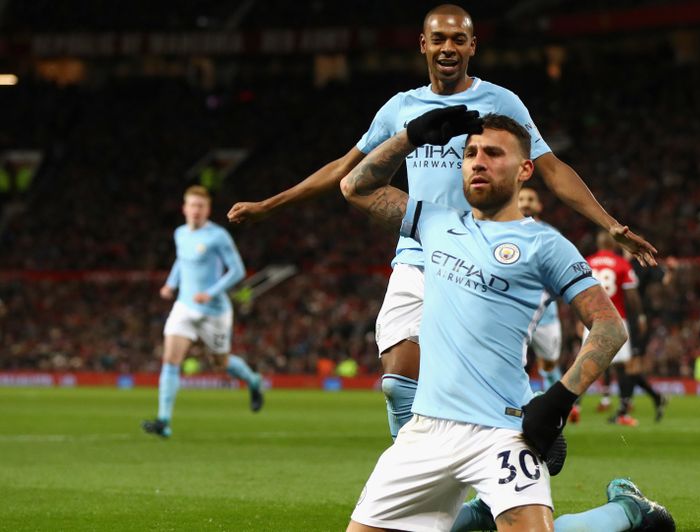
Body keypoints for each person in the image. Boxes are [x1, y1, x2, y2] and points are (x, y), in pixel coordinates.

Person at [227, 4, 657, 442]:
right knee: (398, 382)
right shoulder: (401, 109)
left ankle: (501, 473)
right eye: (439, 39)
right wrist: (269, 205)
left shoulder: (500, 102)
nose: (447, 47)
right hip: (418, 251)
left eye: (457, 39)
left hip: (481, 260)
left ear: (472, 46)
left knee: (474, 393)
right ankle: (416, 473)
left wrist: (611, 224)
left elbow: (551, 168)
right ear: (423, 45)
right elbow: (346, 169)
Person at [340, 110, 673, 532]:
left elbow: (609, 326)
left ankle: (628, 512)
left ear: (525, 169)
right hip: (425, 433)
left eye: (494, 153)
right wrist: (407, 137)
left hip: (502, 432)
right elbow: (354, 186)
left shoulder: (546, 245)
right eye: (471, 152)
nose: (478, 161)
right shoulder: (435, 222)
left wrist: (556, 402)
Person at [142, 186, 262, 438]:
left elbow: (238, 271)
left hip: (214, 311)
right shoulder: (180, 234)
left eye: (201, 206)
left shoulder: (218, 237)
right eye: (192, 205)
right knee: (170, 360)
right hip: (184, 306)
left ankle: (252, 380)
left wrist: (211, 292)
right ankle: (164, 421)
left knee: (221, 363)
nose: (196, 210)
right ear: (184, 208)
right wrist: (170, 284)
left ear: (207, 210)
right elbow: (181, 260)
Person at [585, 230, 667, 425]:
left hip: (634, 319)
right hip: (625, 319)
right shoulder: (621, 264)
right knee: (626, 367)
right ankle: (652, 399)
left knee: (629, 366)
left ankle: (625, 408)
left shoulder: (639, 265)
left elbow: (660, 278)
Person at [518, 186, 564, 390]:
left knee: (549, 364)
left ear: (539, 205)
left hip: (545, 314)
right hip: (514, 312)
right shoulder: (501, 230)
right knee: (511, 362)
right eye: (521, 198)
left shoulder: (550, 235)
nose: (526, 203)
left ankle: (557, 400)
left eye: (531, 198)